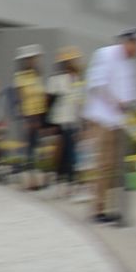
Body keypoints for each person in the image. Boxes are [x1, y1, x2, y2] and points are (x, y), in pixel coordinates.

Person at [86, 28, 136, 225]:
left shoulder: (130, 63)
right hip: (103, 118)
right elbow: (98, 85)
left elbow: (131, 91)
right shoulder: (106, 54)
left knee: (115, 166)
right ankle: (97, 209)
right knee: (103, 165)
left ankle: (112, 208)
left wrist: (129, 108)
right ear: (127, 42)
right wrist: (116, 102)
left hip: (120, 120)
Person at [46, 46, 87, 192]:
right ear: (67, 62)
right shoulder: (56, 79)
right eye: (74, 60)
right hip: (60, 120)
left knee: (69, 149)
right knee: (67, 150)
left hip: (74, 119)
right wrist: (49, 124)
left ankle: (63, 178)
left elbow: (80, 101)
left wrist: (83, 121)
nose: (77, 62)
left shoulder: (78, 78)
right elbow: (50, 101)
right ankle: (68, 178)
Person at [11, 47, 51, 187]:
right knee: (30, 147)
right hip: (28, 116)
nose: (35, 61)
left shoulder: (37, 75)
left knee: (40, 146)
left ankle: (40, 176)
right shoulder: (20, 77)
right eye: (32, 59)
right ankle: (29, 178)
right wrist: (25, 118)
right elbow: (19, 98)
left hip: (40, 115)